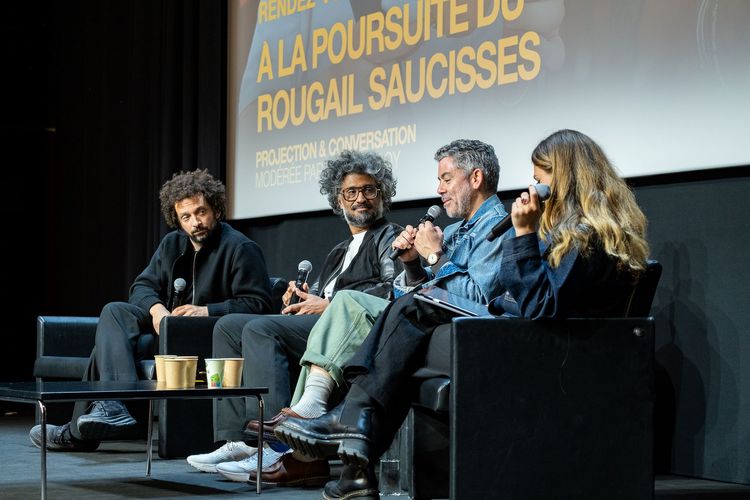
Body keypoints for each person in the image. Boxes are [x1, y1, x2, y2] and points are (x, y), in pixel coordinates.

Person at [275, 129, 650, 499]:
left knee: (412, 311)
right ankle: (356, 461)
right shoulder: (567, 231)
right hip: (511, 330)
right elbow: (532, 297)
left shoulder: (583, 235)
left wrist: (517, 236)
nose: (533, 189)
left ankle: (351, 420)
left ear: (565, 178)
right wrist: (417, 263)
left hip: (524, 341)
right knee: (411, 317)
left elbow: (538, 306)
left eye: (540, 179)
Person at [185, 150, 403, 483]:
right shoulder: (338, 252)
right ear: (338, 200)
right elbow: (317, 295)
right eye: (351, 192)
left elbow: (394, 289)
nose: (360, 199)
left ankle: (275, 443)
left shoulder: (390, 237)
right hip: (322, 328)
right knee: (228, 326)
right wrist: (298, 298)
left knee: (261, 329)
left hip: (355, 330)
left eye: (369, 190)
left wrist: (327, 304)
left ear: (382, 194)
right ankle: (238, 440)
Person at [29, 169, 274, 451]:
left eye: (201, 212)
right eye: (186, 217)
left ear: (216, 210)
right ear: (177, 220)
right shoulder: (172, 244)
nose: (195, 222)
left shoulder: (241, 248)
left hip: (206, 339)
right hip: (166, 332)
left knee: (102, 350)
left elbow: (259, 304)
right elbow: (142, 287)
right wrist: (157, 310)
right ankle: (112, 408)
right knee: (115, 311)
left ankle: (84, 430)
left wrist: (206, 311)